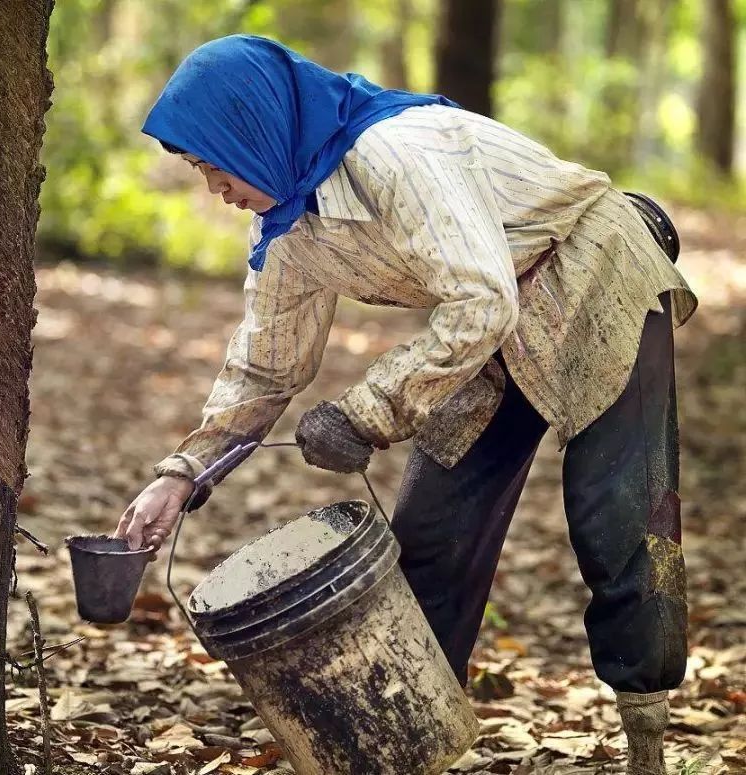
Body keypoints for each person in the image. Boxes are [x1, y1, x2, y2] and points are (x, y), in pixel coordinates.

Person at [113, 34, 696, 775]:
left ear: (250, 129)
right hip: (487, 321)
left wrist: (367, 410)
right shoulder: (289, 223)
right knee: (428, 535)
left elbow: (481, 300)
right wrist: (181, 475)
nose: (213, 189)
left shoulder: (396, 152)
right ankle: (413, 744)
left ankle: (648, 747)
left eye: (211, 164)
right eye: (199, 172)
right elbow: (265, 365)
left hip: (592, 272)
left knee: (621, 519)